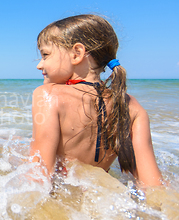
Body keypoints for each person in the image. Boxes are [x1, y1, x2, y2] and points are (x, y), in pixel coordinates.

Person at [30, 14, 163, 187]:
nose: (39, 65)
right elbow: (153, 185)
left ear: (77, 53)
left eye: (45, 55)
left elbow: (37, 177)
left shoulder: (48, 95)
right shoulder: (131, 106)